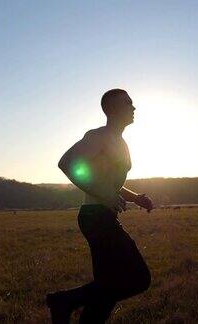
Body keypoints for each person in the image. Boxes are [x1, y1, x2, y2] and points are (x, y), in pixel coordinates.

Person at [47, 89, 154, 323]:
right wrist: (105, 194)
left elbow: (109, 183)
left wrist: (135, 197)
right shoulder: (99, 136)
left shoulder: (121, 142)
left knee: (106, 288)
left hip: (104, 216)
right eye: (128, 103)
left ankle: (72, 309)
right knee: (138, 278)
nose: (134, 108)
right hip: (95, 218)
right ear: (113, 108)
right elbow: (67, 163)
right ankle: (63, 301)